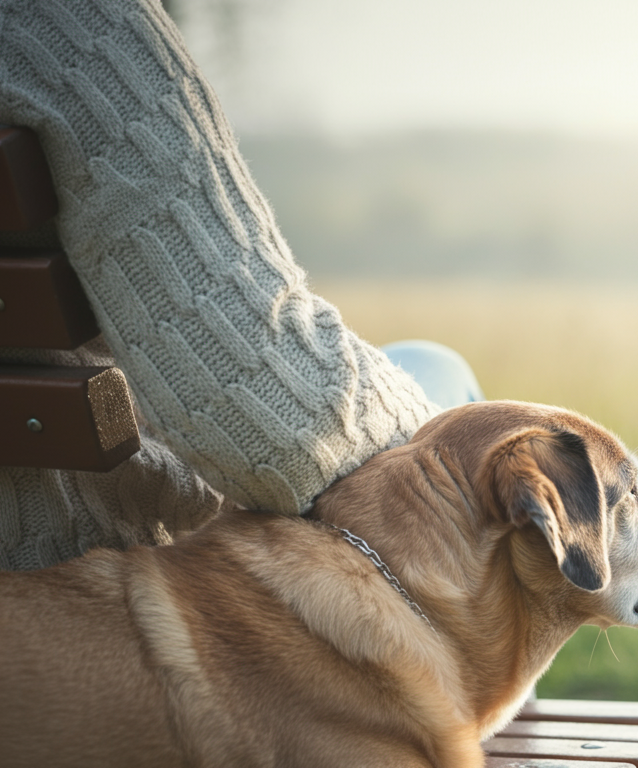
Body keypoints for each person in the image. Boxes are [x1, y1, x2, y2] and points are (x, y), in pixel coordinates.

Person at [0, 0, 470, 570]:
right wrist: (461, 439)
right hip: (87, 571)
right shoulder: (66, 23)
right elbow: (274, 419)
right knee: (445, 380)